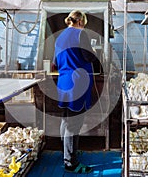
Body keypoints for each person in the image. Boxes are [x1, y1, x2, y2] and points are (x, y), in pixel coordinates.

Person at [53, 10, 96, 174]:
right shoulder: (80, 34)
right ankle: (70, 163)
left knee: (66, 120)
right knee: (74, 123)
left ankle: (66, 154)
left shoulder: (60, 37)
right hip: (77, 83)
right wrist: (95, 53)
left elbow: (56, 62)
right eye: (84, 23)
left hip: (64, 83)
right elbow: (87, 56)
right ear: (80, 22)